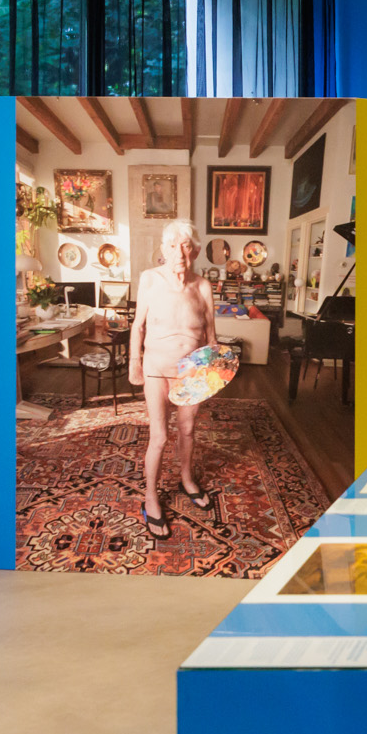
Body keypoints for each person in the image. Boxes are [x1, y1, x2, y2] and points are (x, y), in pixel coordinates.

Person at [128, 220, 218, 538]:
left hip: (192, 370)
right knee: (159, 436)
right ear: (163, 250)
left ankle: (187, 479)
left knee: (188, 429)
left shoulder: (203, 286)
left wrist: (213, 372)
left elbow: (211, 334)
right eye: (172, 246)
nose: (179, 253)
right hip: (156, 367)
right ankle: (150, 497)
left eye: (185, 246)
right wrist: (134, 362)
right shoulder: (150, 279)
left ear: (195, 250)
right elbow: (138, 325)